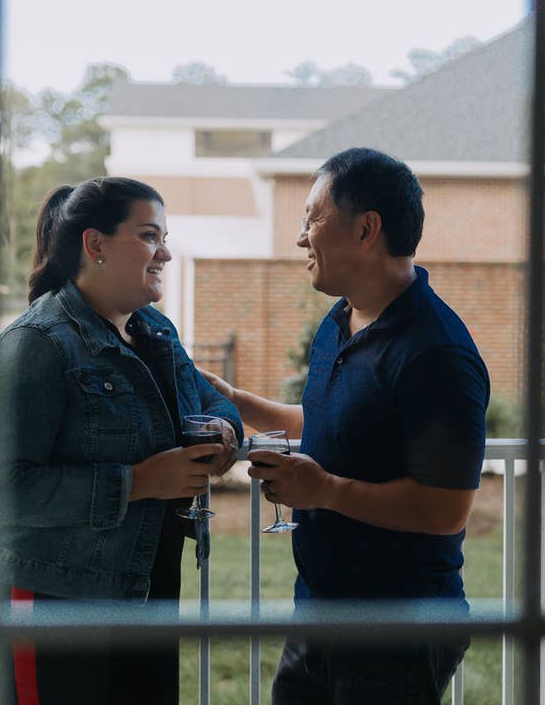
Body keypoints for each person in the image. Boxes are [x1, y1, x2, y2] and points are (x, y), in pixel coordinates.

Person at [201, 147, 490, 704]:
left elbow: (444, 508)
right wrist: (239, 402)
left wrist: (325, 490)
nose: (300, 237)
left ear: (366, 229)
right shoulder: (340, 320)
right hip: (319, 614)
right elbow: (339, 422)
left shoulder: (436, 353)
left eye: (312, 218)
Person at [0, 176, 242, 705]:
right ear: (94, 245)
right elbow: (4, 490)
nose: (164, 252)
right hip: (51, 599)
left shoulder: (155, 331)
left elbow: (211, 403)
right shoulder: (36, 345)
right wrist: (137, 483)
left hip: (145, 593)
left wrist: (226, 432)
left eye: (164, 236)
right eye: (148, 236)